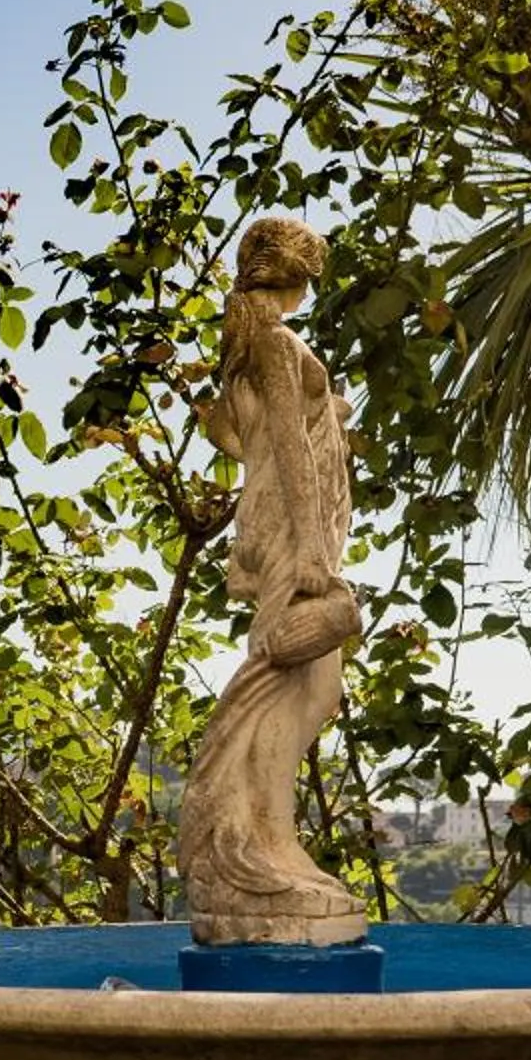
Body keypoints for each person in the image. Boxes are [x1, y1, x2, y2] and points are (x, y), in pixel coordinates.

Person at [178, 215, 367, 946]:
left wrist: (330, 413)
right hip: (296, 531)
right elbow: (285, 441)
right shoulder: (278, 342)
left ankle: (259, 838)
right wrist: (315, 547)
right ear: (298, 273)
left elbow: (235, 435)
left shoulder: (249, 344)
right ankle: (258, 845)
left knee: (313, 687)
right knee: (302, 680)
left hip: (289, 524)